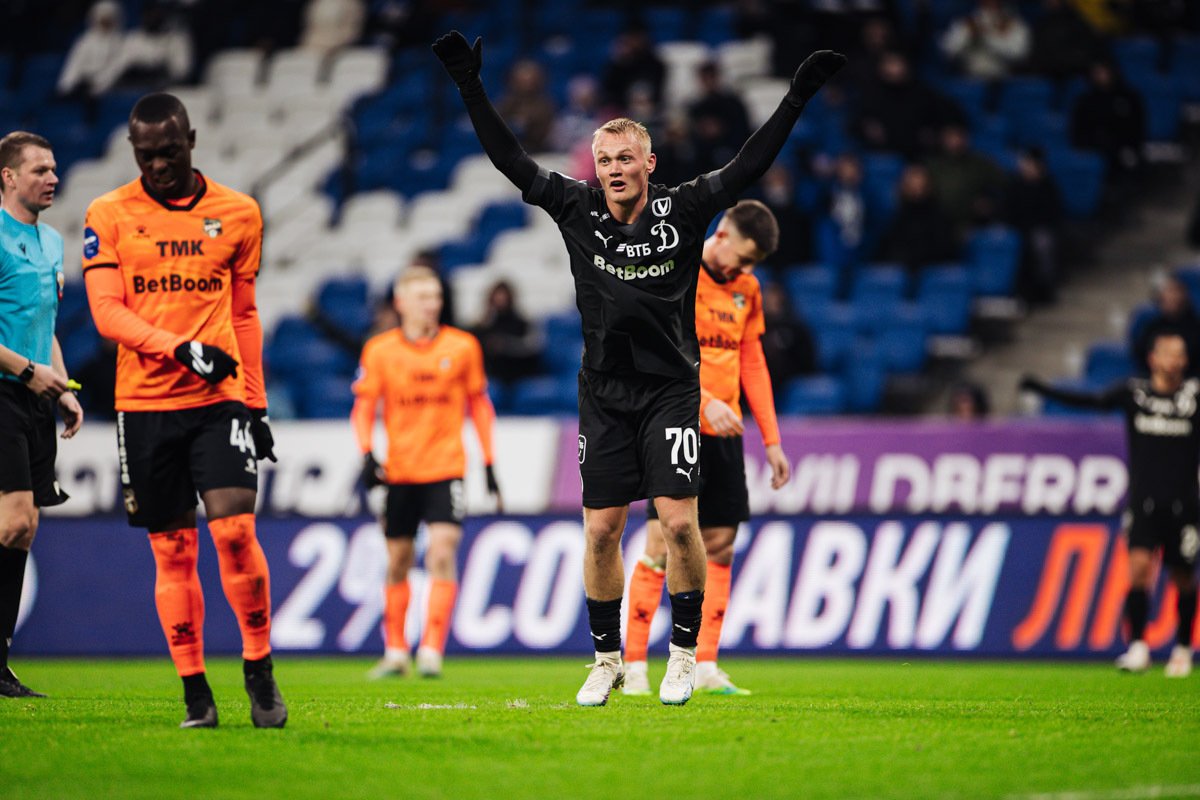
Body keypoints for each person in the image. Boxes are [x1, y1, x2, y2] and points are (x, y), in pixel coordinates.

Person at [433, 28, 844, 706]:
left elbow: (747, 166)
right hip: (603, 393)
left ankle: (681, 656)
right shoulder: (576, 206)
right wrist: (470, 86)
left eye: (626, 157)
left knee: (679, 523)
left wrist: (796, 98)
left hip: (670, 390)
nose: (615, 168)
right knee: (601, 531)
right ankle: (607, 660)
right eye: (604, 159)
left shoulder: (684, 210)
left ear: (650, 162)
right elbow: (510, 159)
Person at [81, 92, 285, 729]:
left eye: (169, 151)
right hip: (144, 404)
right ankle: (196, 691)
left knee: (235, 532)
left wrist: (256, 403)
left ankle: (258, 669)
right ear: (133, 151)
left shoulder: (239, 212)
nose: (158, 165)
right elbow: (106, 312)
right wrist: (180, 348)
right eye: (146, 155)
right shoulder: (109, 213)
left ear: (192, 140)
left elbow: (245, 314)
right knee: (172, 551)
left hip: (217, 402)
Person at [622, 200, 791, 697]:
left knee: (720, 545)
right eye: (743, 258)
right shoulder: (676, 273)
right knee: (662, 545)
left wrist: (772, 439)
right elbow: (654, 354)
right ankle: (634, 666)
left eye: (753, 264)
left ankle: (704, 663)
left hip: (725, 436)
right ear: (721, 236)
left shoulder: (746, 289)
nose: (745, 270)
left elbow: (752, 360)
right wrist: (705, 401)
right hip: (675, 424)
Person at [352, 265, 502, 679]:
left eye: (435, 296)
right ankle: (396, 652)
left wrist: (489, 462)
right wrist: (366, 453)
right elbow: (363, 407)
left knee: (441, 552)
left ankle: (432, 650)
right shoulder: (380, 350)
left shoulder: (463, 346)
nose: (432, 304)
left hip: (446, 468)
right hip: (400, 471)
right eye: (423, 297)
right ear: (401, 303)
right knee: (398, 560)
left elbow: (479, 404)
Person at [1020, 332, 1198, 677]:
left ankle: (1182, 648)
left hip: (1184, 504)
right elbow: (1091, 401)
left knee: (1183, 577)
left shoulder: (1193, 397)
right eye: (1168, 354)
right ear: (1153, 359)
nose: (1175, 361)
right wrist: (1044, 391)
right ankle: (1138, 647)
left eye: (1180, 354)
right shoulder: (1136, 394)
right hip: (1144, 502)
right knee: (1138, 570)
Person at [0, 131, 83, 698]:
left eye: (54, 169)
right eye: (39, 170)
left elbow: (44, 324)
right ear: (8, 177)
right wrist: (29, 371)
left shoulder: (52, 241)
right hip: (4, 390)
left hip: (35, 396)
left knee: (24, 528)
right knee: (11, 521)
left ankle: (0, 663)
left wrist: (62, 386)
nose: (52, 178)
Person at [939, 0, 1031, 81]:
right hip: (969, 81)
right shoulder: (966, 23)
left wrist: (988, 37)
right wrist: (966, 33)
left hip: (1003, 81)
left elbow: (1020, 54)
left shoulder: (1014, 24)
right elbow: (947, 51)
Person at [1131, 275, 1200, 377]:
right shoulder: (1151, 327)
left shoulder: (1195, 328)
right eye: (1168, 291)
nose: (1172, 297)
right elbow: (1140, 357)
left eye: (1176, 291)